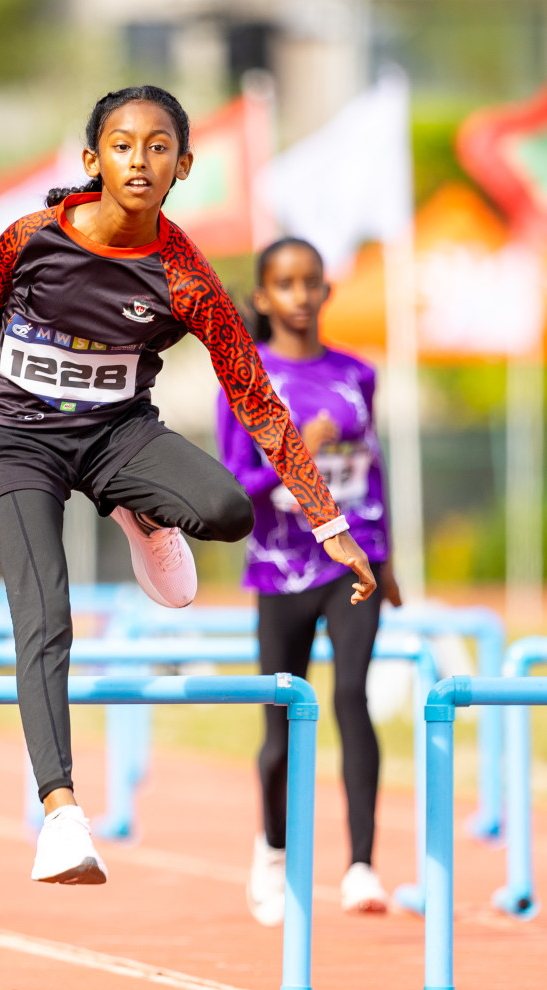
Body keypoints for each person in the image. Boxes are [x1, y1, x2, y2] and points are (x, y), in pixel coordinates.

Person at [0, 85, 377, 886]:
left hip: (118, 437)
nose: (139, 161)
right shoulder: (31, 240)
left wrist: (333, 528)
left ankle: (140, 509)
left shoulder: (185, 278)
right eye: (122, 145)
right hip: (13, 442)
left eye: (159, 147)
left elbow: (258, 402)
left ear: (183, 165)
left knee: (227, 512)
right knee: (44, 609)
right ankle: (61, 812)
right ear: (92, 160)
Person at [218, 237, 401, 923]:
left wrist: (389, 559)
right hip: (280, 566)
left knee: (352, 696)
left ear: (326, 291)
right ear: (264, 298)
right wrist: (305, 450)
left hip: (354, 561)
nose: (300, 294)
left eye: (311, 282)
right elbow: (236, 487)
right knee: (281, 726)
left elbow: (373, 469)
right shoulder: (247, 378)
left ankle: (361, 864)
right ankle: (271, 850)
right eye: (285, 284)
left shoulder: (358, 373)